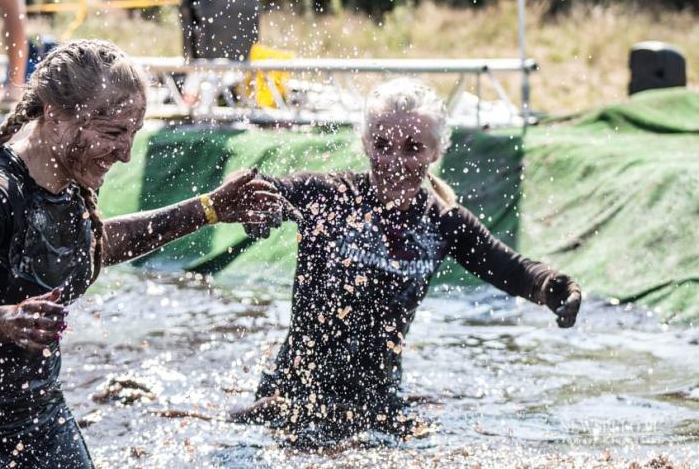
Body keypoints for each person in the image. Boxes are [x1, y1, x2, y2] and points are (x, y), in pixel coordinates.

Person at [0, 39, 284, 468]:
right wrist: (2, 321)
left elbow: (85, 247)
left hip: (36, 419)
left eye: (132, 134)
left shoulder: (69, 182)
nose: (126, 153)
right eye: (114, 133)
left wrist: (207, 210)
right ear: (55, 116)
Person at [230, 78, 582, 445]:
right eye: (382, 145)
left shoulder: (444, 221)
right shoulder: (330, 196)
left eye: (412, 148)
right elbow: (255, 186)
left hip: (377, 400)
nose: (395, 161)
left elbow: (514, 271)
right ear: (366, 144)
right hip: (293, 393)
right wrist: (256, 208)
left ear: (435, 153)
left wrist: (557, 288)